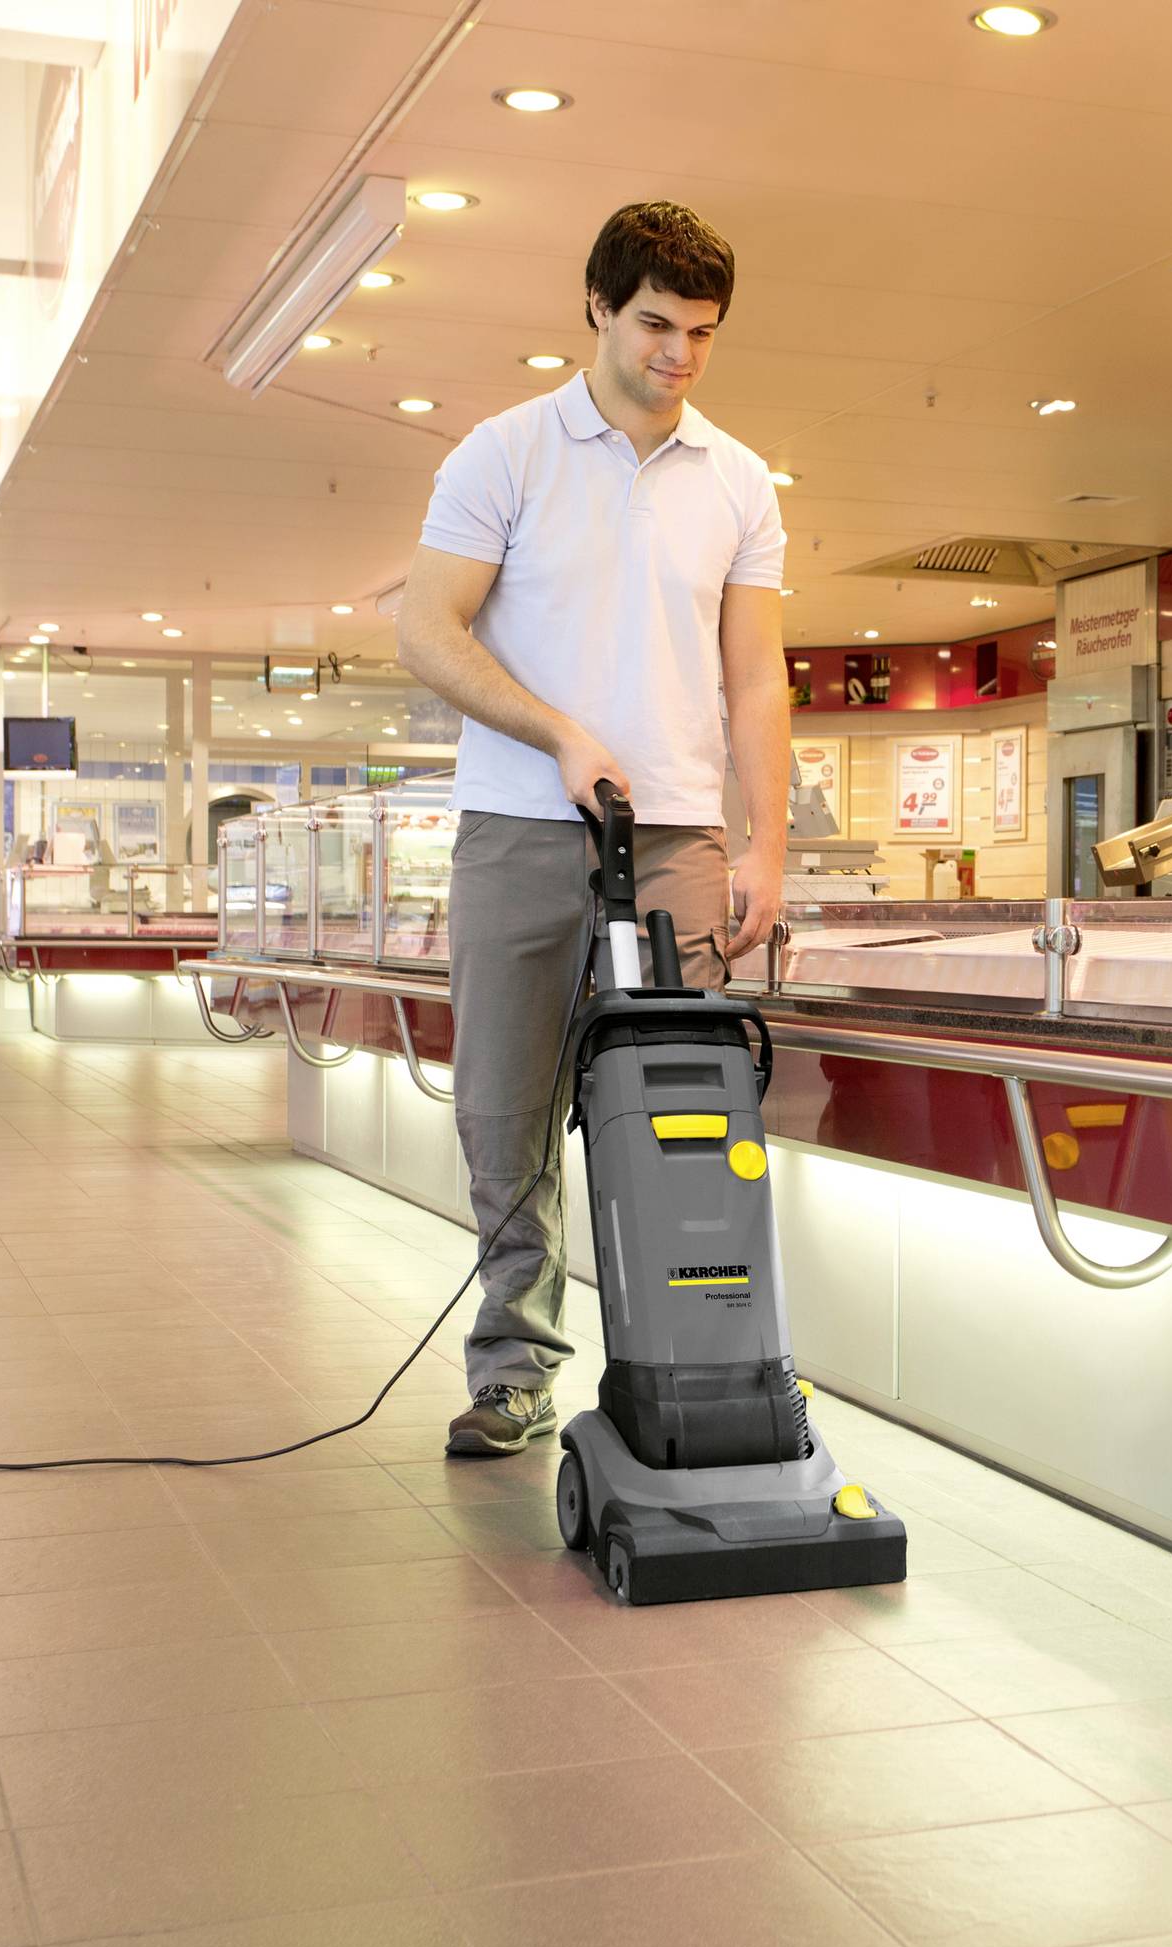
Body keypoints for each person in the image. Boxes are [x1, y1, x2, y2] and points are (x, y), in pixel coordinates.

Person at [395, 201, 789, 1457]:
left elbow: (757, 680)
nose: (678, 355)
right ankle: (515, 1364)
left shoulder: (737, 481)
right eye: (656, 325)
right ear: (599, 309)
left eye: (702, 333)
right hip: (517, 830)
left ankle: (695, 1361)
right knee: (504, 1109)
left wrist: (765, 842)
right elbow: (427, 631)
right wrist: (559, 731)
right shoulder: (505, 453)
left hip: (676, 841)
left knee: (684, 1109)